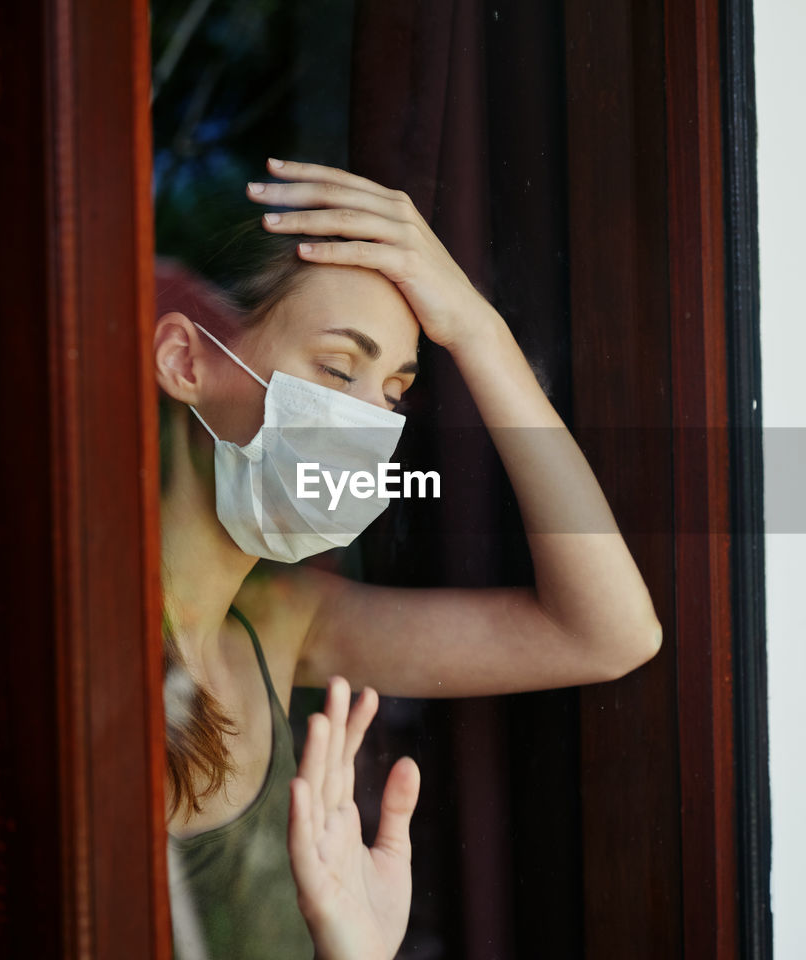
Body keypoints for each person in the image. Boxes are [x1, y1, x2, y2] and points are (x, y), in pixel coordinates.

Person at [157, 158, 662, 958]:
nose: (367, 426)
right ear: (188, 362)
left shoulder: (283, 624)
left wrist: (479, 332)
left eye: (392, 391)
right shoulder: (78, 635)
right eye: (335, 368)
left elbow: (609, 632)